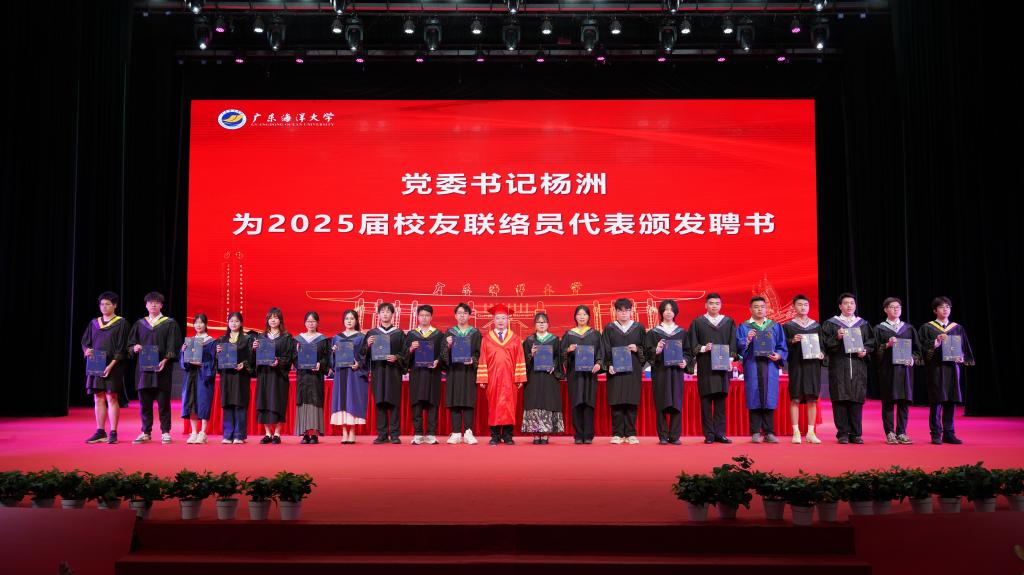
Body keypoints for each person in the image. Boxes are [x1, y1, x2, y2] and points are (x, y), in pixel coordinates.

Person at [127, 291, 183, 444]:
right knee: (144, 402)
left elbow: (174, 344)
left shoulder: (169, 323)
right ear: (146, 305)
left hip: (162, 368)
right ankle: (146, 432)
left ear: (161, 305)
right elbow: (130, 344)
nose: (153, 305)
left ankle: (165, 432)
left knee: (163, 402)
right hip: (144, 370)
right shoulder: (140, 324)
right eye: (150, 302)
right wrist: (134, 347)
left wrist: (165, 360)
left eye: (156, 302)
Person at [821, 293, 876, 444]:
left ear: (855, 306)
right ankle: (843, 433)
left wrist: (865, 350)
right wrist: (837, 337)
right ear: (840, 306)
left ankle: (856, 434)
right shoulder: (831, 324)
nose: (849, 306)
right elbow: (824, 344)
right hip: (839, 365)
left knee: (856, 399)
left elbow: (871, 342)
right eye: (846, 303)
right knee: (840, 399)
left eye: (852, 303)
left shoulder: (862, 324)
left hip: (858, 366)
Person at [919, 296, 975, 445]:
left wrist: (961, 358)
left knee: (951, 400)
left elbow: (964, 348)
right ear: (935, 310)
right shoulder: (927, 327)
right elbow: (921, 348)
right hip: (936, 369)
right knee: (936, 401)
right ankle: (936, 433)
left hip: (952, 369)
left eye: (948, 307)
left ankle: (949, 433)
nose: (945, 309)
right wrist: (936, 342)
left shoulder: (957, 328)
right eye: (942, 307)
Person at [735, 296, 788, 444]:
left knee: (769, 397)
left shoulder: (775, 326)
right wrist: (747, 339)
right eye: (756, 307)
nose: (759, 309)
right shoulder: (744, 327)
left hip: (770, 365)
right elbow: (738, 347)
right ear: (750, 309)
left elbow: (782, 345)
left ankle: (769, 432)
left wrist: (779, 355)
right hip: (752, 365)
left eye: (762, 307)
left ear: (766, 309)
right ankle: (755, 432)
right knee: (754, 396)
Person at [686, 293, 737, 444]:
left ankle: (720, 434)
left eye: (717, 303)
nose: (714, 306)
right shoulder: (698, 322)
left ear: (721, 305)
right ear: (706, 305)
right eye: (711, 303)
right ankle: (708, 435)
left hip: (722, 367)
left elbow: (733, 343)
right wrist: (703, 348)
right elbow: (692, 345)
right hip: (705, 366)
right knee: (706, 402)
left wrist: (730, 360)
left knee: (721, 402)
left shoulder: (728, 322)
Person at [477, 304, 527, 445]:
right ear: (493, 320)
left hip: (510, 379)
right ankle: (495, 435)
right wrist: (482, 378)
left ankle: (508, 435)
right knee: (494, 406)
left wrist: (520, 378)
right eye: (498, 318)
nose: (500, 321)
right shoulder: (487, 339)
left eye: (503, 318)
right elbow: (482, 359)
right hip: (493, 378)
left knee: (509, 406)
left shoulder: (515, 338)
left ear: (508, 320)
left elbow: (520, 358)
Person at [81, 291, 128, 444]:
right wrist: (86, 350)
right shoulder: (94, 323)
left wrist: (111, 365)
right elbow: (85, 342)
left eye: (108, 304)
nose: (104, 307)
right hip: (96, 363)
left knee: (111, 396)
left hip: (113, 365)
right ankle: (100, 431)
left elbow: (122, 347)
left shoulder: (121, 323)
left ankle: (113, 432)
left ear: (115, 306)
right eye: (102, 304)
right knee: (98, 397)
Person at [874, 297, 921, 445]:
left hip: (905, 371)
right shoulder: (879, 329)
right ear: (885, 309)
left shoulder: (908, 328)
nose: (896, 309)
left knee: (904, 401)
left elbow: (917, 350)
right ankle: (890, 432)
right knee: (888, 401)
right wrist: (887, 345)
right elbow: (874, 351)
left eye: (898, 307)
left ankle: (901, 432)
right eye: (892, 307)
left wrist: (913, 358)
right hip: (888, 370)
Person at [644, 299, 690, 445]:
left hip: (676, 372)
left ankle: (675, 436)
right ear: (661, 312)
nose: (668, 312)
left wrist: (685, 361)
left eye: (671, 309)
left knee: (676, 402)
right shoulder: (654, 333)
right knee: (661, 402)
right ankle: (663, 436)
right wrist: (656, 350)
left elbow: (688, 352)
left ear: (675, 312)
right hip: (660, 372)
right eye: (665, 309)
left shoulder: (682, 332)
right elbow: (647, 352)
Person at [602, 298, 647, 445]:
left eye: (626, 310)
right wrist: (609, 365)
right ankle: (617, 433)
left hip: (633, 370)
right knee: (616, 400)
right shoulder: (609, 328)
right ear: (615, 312)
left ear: (631, 311)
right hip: (615, 370)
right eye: (620, 310)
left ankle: (631, 433)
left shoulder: (639, 328)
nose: (623, 313)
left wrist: (637, 349)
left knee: (631, 401)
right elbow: (605, 349)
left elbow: (646, 349)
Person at [782, 295, 824, 444]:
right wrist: (792, 340)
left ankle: (811, 433)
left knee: (812, 399)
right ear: (794, 307)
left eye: (806, 304)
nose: (803, 307)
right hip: (797, 365)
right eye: (800, 305)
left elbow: (822, 345)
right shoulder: (788, 326)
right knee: (795, 398)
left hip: (812, 366)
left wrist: (822, 353)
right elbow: (782, 345)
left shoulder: (816, 326)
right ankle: (796, 432)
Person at [362, 303, 405, 444]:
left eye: (388, 312)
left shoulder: (399, 333)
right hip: (378, 371)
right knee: (379, 402)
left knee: (394, 403)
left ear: (393, 314)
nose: (385, 314)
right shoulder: (372, 333)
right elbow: (363, 354)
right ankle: (382, 434)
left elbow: (405, 353)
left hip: (393, 372)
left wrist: (396, 357)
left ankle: (395, 434)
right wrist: (368, 345)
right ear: (378, 314)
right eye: (382, 312)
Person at [562, 305, 603, 444]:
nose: (582, 317)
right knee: (576, 402)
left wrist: (599, 363)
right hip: (574, 375)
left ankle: (588, 435)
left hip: (590, 374)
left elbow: (601, 352)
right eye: (579, 314)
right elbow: (561, 353)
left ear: (589, 317)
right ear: (575, 317)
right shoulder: (569, 334)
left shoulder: (595, 334)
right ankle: (578, 434)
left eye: (584, 314)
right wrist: (568, 350)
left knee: (589, 403)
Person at [522, 312, 565, 444]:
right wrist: (531, 354)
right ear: (535, 325)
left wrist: (554, 366)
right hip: (533, 377)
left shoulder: (555, 340)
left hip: (549, 377)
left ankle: (546, 433)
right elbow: (523, 360)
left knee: (548, 401)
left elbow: (559, 357)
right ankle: (536, 433)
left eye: (544, 322)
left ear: (548, 324)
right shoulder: (529, 340)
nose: (541, 324)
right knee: (534, 402)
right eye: (539, 322)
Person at [253, 307, 294, 445]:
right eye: (270, 318)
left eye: (276, 318)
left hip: (278, 375)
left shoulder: (287, 337)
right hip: (264, 374)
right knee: (264, 402)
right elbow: (254, 359)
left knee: (278, 402)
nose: (273, 320)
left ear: (280, 320)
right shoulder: (261, 337)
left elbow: (289, 357)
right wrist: (254, 349)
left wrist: (279, 362)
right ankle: (267, 433)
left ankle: (277, 433)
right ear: (267, 320)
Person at [405, 305, 444, 445]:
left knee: (433, 403)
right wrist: (410, 348)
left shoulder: (438, 335)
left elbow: (443, 354)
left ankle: (431, 434)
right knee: (417, 403)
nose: (424, 318)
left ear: (431, 317)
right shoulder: (411, 335)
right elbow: (404, 356)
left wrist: (438, 361)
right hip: (417, 374)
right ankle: (418, 434)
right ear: (418, 317)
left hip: (433, 373)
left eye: (427, 315)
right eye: (422, 315)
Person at [443, 303, 482, 445]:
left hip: (469, 372)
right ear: (455, 315)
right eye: (459, 313)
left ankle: (468, 432)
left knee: (468, 401)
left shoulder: (475, 333)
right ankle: (456, 433)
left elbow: (480, 353)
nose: (462, 316)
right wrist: (447, 346)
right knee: (454, 401)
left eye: (465, 313)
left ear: (469, 315)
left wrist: (473, 360)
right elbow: (443, 355)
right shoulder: (449, 332)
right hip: (454, 372)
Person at [329, 309, 368, 444]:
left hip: (354, 373)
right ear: (343, 321)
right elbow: (332, 360)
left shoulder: (361, 337)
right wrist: (334, 352)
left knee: (353, 400)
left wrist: (359, 364)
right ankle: (344, 432)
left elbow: (365, 356)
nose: (349, 321)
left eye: (352, 318)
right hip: (341, 373)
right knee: (342, 400)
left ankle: (352, 431)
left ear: (356, 321)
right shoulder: (336, 338)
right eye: (347, 318)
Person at [180, 313, 217, 444]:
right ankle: (194, 432)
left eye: (201, 322)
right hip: (191, 376)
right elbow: (183, 363)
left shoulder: (211, 342)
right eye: (196, 323)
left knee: (203, 403)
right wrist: (183, 351)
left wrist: (202, 364)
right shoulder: (190, 341)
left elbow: (214, 362)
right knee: (191, 404)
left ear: (206, 324)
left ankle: (203, 432)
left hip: (204, 377)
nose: (198, 325)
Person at [216, 312, 252, 444]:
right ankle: (227, 435)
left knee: (240, 404)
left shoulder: (247, 339)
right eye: (231, 321)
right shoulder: (221, 339)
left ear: (241, 323)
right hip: (226, 376)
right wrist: (217, 353)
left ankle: (239, 435)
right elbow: (218, 361)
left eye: (236, 321)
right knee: (227, 404)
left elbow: (251, 357)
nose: (234, 323)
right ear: (228, 323)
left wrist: (244, 364)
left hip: (240, 376)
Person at [295, 311, 330, 444]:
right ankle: (304, 434)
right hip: (303, 377)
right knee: (303, 402)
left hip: (316, 377)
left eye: (313, 321)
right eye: (308, 321)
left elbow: (327, 358)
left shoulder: (323, 339)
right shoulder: (298, 339)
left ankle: (315, 434)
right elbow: (294, 359)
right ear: (305, 323)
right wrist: (297, 352)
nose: (311, 324)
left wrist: (320, 364)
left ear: (317, 323)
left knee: (315, 402)